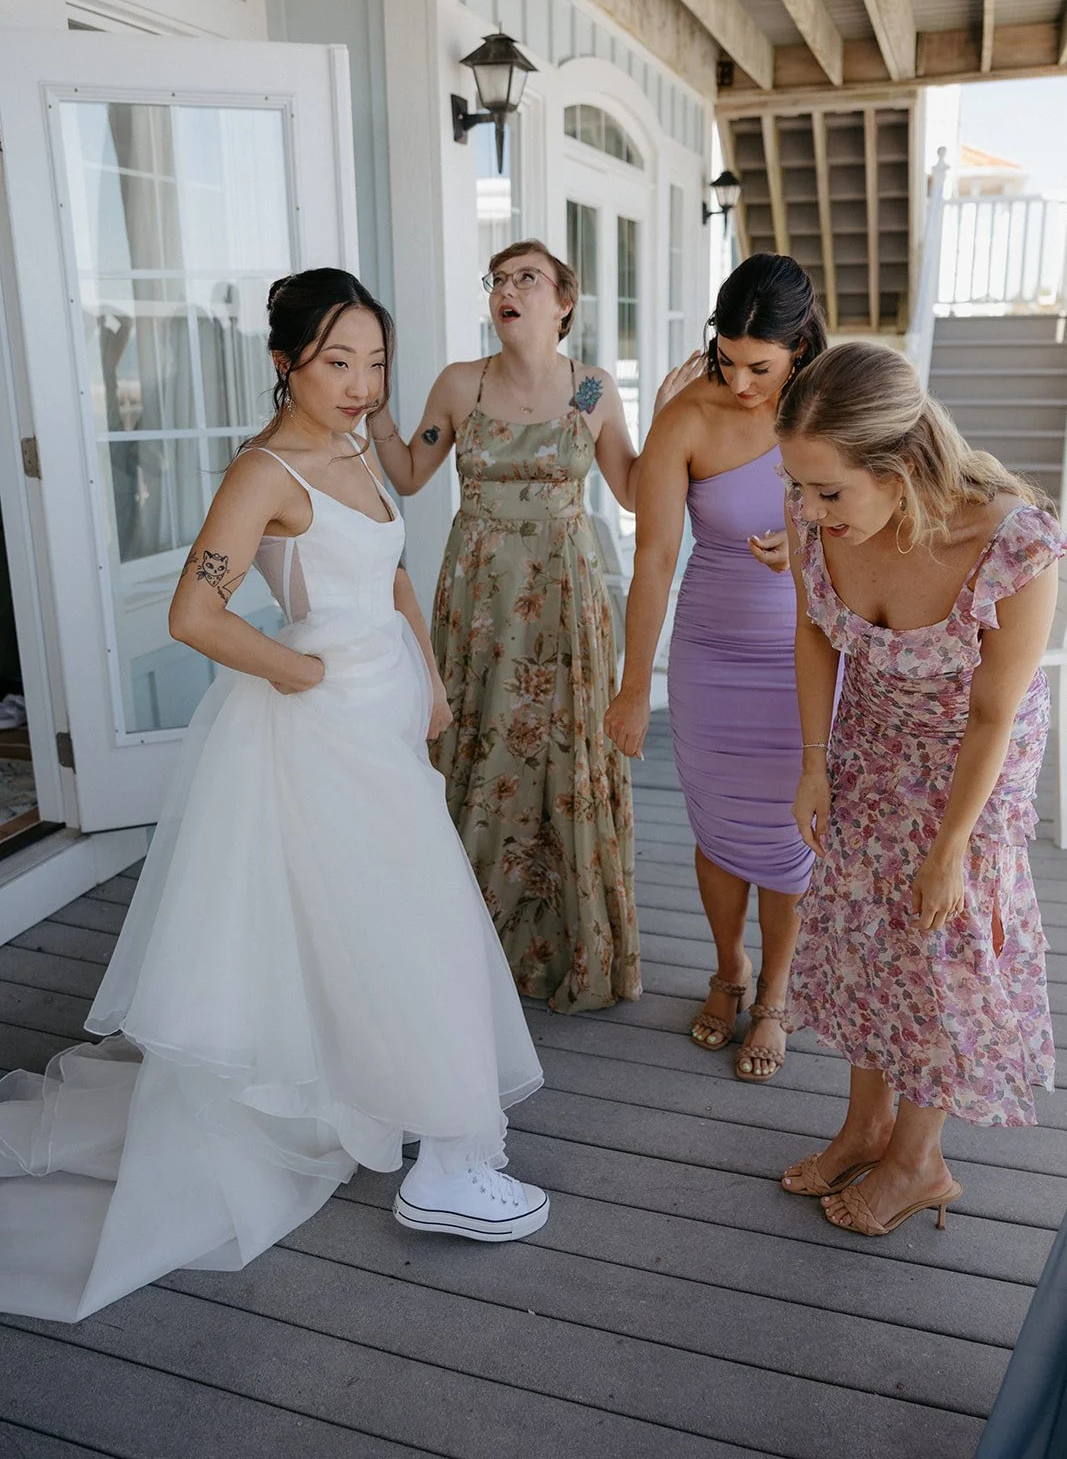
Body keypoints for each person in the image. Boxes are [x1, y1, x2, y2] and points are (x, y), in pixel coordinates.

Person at [0, 269, 548, 1324]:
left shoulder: (353, 449)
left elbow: (389, 575)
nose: (360, 384)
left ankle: (399, 1118)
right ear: (283, 362)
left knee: (378, 928)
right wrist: (299, 672)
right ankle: (444, 1163)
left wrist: (427, 675)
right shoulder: (266, 470)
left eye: (375, 362)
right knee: (418, 924)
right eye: (337, 361)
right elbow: (193, 614)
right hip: (321, 729)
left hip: (385, 716)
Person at [776, 341, 1062, 1235]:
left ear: (899, 468)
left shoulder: (1014, 546)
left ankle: (918, 1161)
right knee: (864, 932)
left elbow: (992, 718)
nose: (809, 511)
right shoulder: (817, 516)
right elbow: (816, 634)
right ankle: (864, 1125)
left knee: (935, 958)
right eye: (799, 487)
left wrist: (948, 853)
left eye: (830, 493)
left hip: (968, 776)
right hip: (870, 746)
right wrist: (815, 762)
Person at [366, 240, 679, 1013]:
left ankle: (566, 945)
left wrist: (670, 418)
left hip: (566, 603)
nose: (507, 289)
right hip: (478, 602)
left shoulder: (590, 390)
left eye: (525, 278)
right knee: (478, 742)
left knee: (561, 753)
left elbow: (636, 491)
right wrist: (368, 400)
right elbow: (408, 474)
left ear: (562, 302)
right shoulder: (459, 385)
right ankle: (464, 943)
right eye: (498, 279)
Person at [605, 254, 827, 1081]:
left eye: (758, 367)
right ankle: (727, 969)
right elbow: (655, 557)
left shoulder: (834, 407)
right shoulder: (686, 415)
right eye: (726, 359)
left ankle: (775, 993)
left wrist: (810, 547)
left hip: (799, 655)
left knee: (788, 838)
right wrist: (634, 688)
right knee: (719, 827)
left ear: (799, 347)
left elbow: (886, 524)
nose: (737, 380)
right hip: (708, 652)